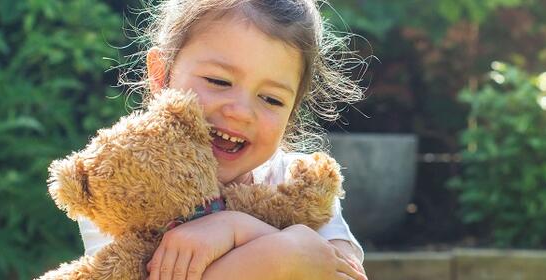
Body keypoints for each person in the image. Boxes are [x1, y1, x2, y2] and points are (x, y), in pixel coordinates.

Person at [76, 0, 368, 279]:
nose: (241, 112)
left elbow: (342, 272)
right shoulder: (125, 186)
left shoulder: (300, 184)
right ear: (161, 74)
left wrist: (236, 229)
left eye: (271, 99)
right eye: (219, 81)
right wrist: (289, 253)